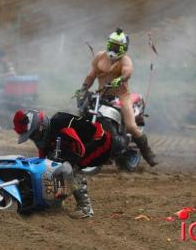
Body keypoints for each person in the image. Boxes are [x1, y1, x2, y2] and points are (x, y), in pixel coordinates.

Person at [76, 28, 158, 166]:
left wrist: (121, 79)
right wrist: (83, 88)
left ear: (123, 48)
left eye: (116, 46)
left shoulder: (125, 60)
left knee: (131, 126)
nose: (113, 49)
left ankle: (148, 153)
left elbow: (128, 71)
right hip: (101, 94)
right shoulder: (100, 57)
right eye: (111, 45)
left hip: (121, 96)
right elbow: (91, 75)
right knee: (82, 114)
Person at [13, 109, 113, 218]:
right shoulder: (44, 136)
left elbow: (79, 150)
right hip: (77, 145)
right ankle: (57, 202)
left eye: (32, 134)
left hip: (98, 141)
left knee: (68, 168)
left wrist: (65, 164)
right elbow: (44, 161)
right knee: (54, 165)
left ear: (40, 127)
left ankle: (85, 207)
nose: (32, 138)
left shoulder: (60, 125)